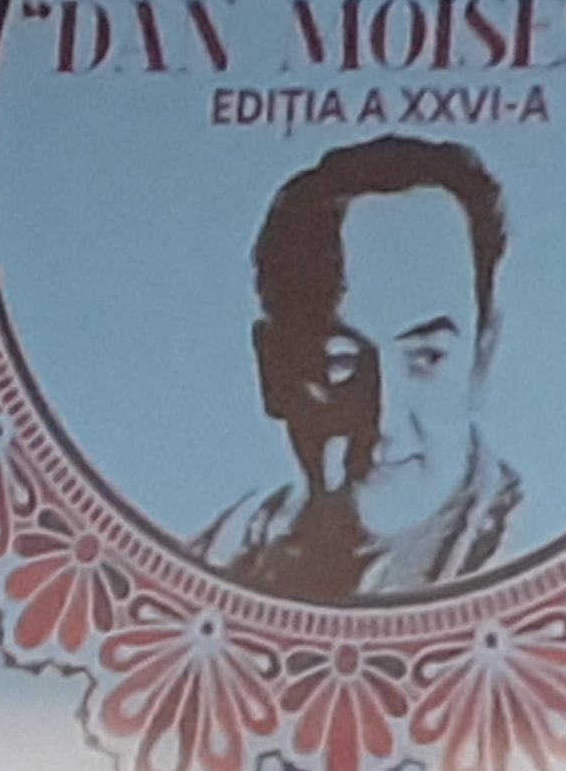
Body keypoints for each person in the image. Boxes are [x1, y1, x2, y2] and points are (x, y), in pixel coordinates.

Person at [194, 136, 522, 600]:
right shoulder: (215, 563)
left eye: (427, 358)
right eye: (340, 363)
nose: (384, 420)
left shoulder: (532, 551)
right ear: (274, 372)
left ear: (481, 359)